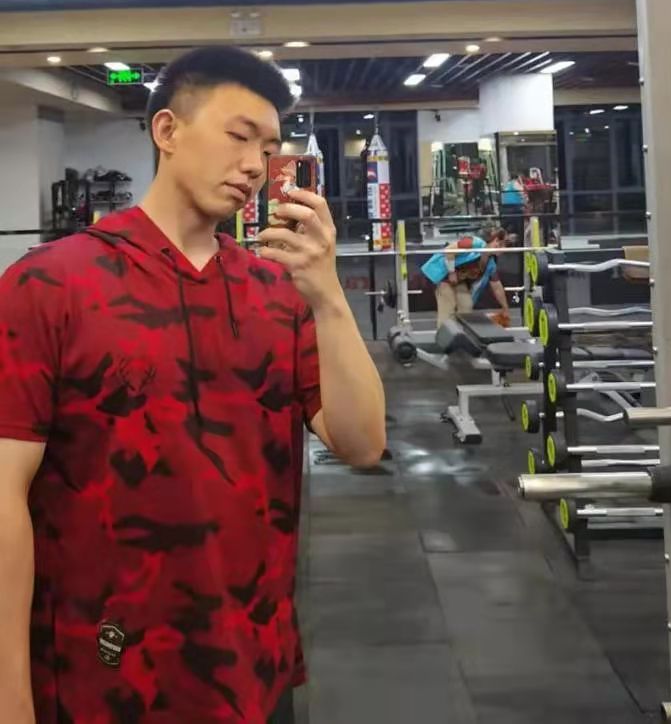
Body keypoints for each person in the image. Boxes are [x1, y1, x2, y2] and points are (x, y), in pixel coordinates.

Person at [0, 46, 386, 724]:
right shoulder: (50, 285)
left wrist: (327, 296)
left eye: (268, 148)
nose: (254, 165)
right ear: (168, 131)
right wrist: (10, 700)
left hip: (253, 666)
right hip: (104, 676)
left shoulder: (276, 291)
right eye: (239, 136)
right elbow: (4, 493)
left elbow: (360, 444)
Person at [422, 229, 511, 326]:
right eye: (504, 245)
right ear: (496, 240)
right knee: (447, 307)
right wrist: (451, 272)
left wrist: (505, 308)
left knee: (466, 305)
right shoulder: (475, 242)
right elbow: (449, 250)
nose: (504, 249)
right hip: (444, 276)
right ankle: (444, 331)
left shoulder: (490, 264)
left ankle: (461, 332)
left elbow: (497, 287)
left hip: (459, 281)